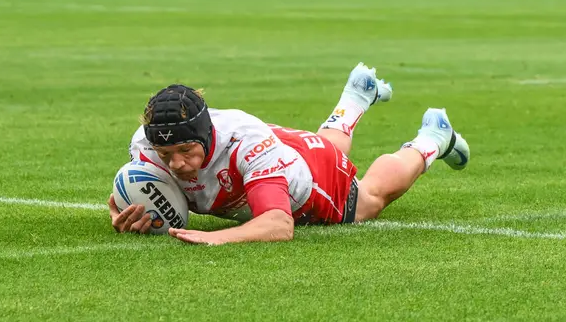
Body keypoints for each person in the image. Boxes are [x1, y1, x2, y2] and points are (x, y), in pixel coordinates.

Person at [108, 63, 470, 244]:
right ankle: (357, 96)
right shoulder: (144, 145)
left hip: (309, 180)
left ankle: (431, 140)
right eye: (165, 153)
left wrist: (215, 237)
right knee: (325, 144)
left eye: (186, 151)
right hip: (276, 150)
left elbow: (279, 225)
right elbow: (130, 191)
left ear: (206, 135)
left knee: (369, 199)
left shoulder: (244, 145)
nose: (176, 164)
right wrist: (123, 212)